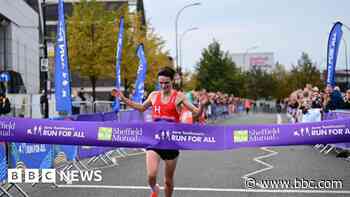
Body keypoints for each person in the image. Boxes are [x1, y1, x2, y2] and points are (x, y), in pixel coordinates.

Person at [116, 67, 208, 197]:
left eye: (166, 83)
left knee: (168, 181)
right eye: (161, 83)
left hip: (171, 143)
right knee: (151, 175)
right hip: (155, 140)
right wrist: (123, 99)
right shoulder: (154, 95)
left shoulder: (179, 97)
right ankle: (154, 189)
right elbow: (142, 108)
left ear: (172, 81)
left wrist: (202, 105)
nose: (163, 85)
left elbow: (197, 114)